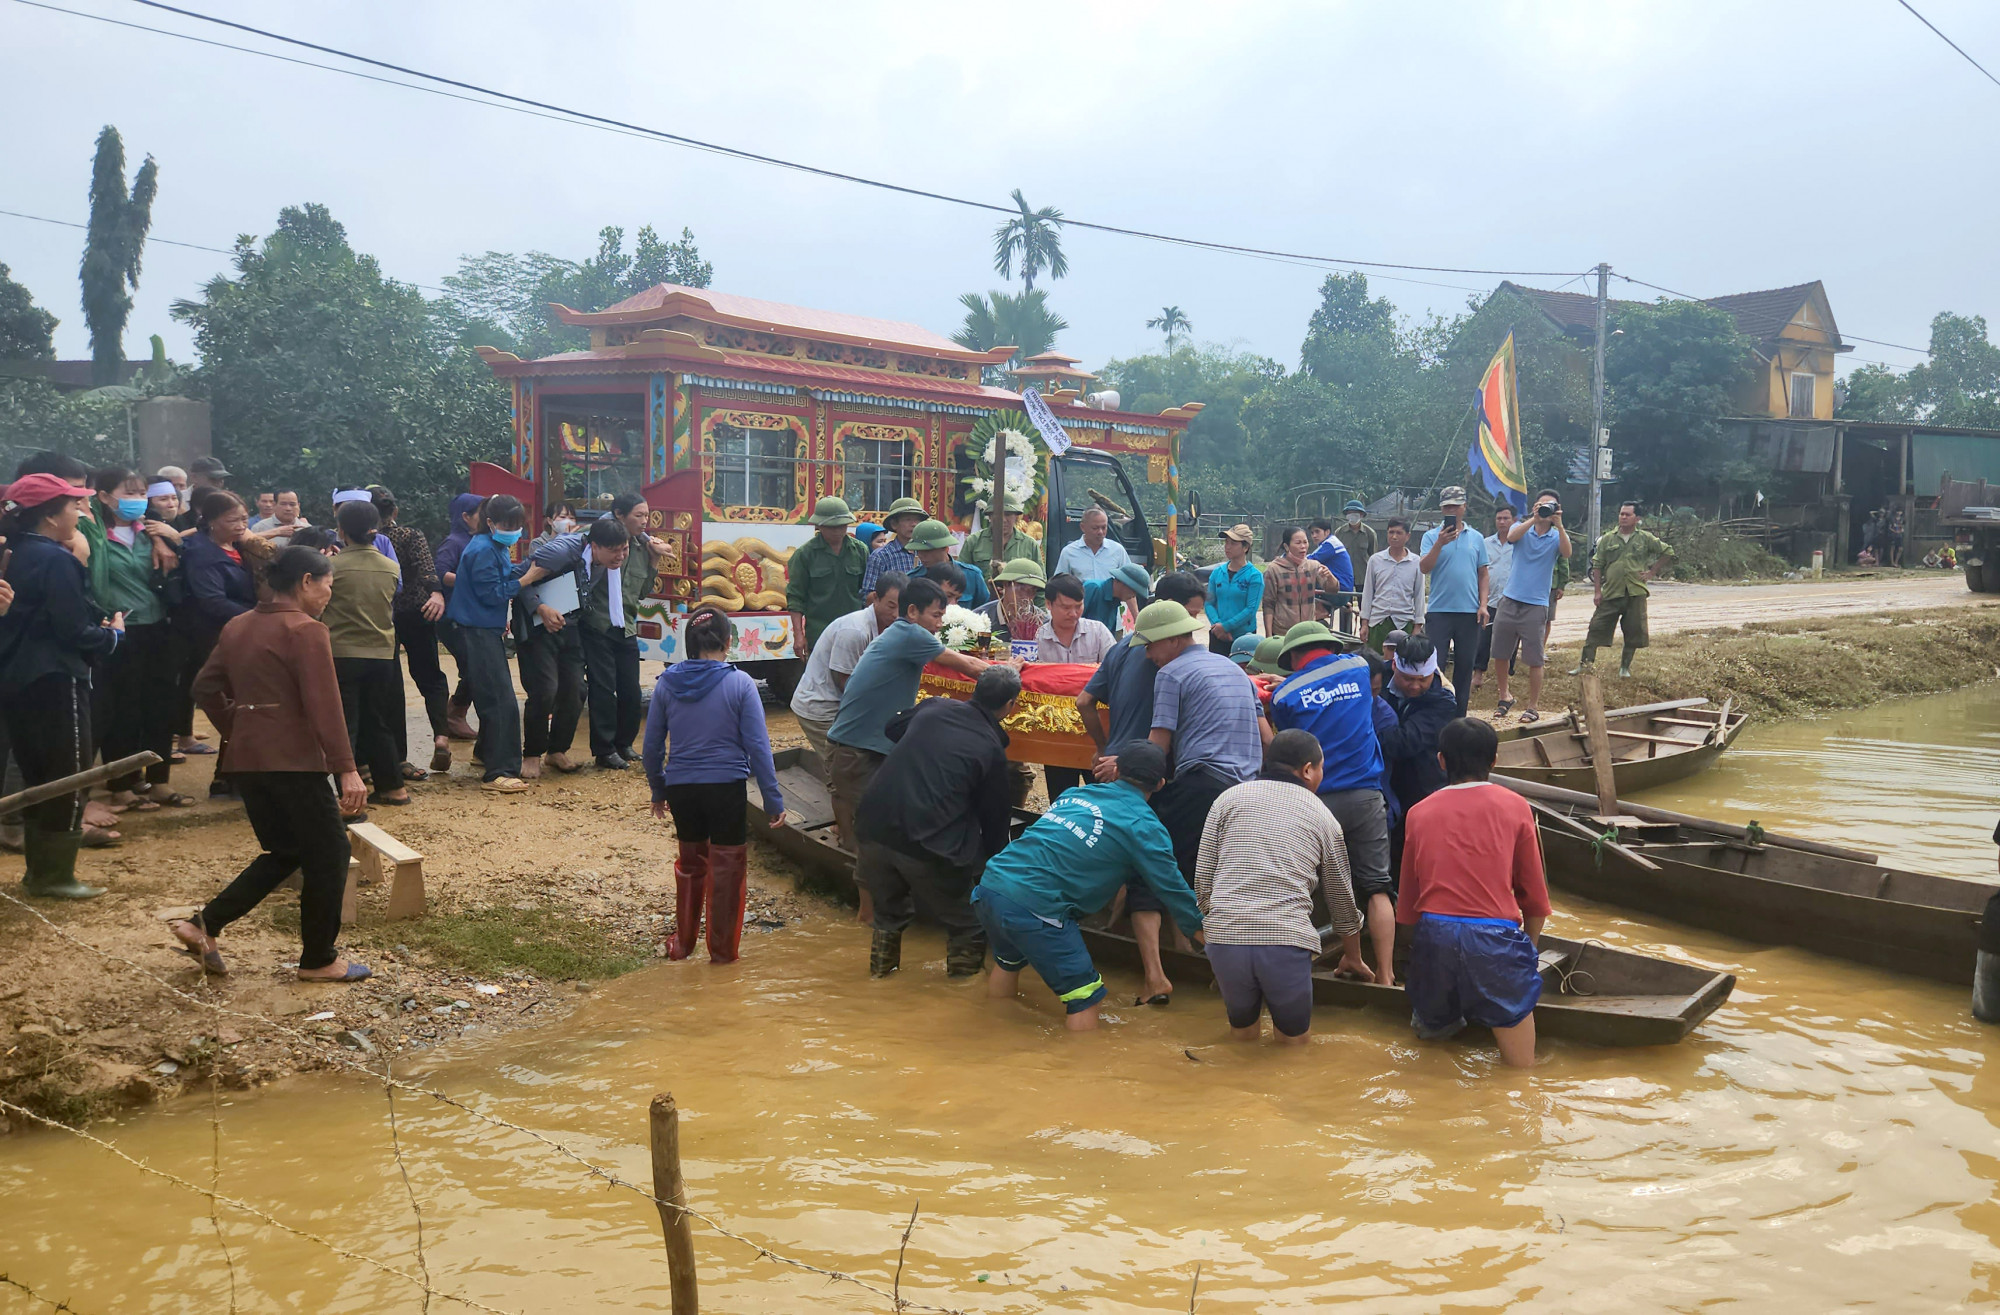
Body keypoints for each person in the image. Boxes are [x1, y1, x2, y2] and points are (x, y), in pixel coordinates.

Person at [171, 547, 372, 981]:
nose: (328, 595)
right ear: (305, 582)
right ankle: (319, 960)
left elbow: (205, 687)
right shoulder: (306, 630)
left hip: (247, 759)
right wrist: (347, 768)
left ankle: (203, 925)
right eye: (327, 586)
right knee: (331, 851)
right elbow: (325, 705)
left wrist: (240, 727)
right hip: (293, 760)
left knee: (287, 850)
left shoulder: (238, 625)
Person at [972, 740, 1202, 1032]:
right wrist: (1204, 932)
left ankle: (994, 1034)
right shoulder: (1145, 827)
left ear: (1116, 770)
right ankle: (1079, 1071)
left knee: (1007, 963)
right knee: (1085, 997)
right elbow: (1172, 889)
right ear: (1159, 784)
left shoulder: (1074, 795)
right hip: (1037, 907)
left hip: (992, 885)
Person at [824, 577, 992, 900]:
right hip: (857, 753)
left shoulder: (900, 633)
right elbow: (968, 666)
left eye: (944, 617)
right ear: (912, 612)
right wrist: (1009, 671)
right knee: (873, 836)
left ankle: (881, 904)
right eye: (936, 616)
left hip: (863, 748)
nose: (940, 623)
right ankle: (870, 913)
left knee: (879, 828)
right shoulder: (911, 634)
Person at [1197, 729, 1369, 1043]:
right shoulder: (1322, 816)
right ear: (1307, 770)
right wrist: (1353, 956)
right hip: (1284, 941)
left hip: (1224, 940)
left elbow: (1204, 883)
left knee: (1242, 1037)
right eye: (1320, 767)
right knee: (1293, 1048)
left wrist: (1222, 927)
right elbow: (1341, 901)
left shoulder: (1228, 799)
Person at [1397, 717, 1551, 1068]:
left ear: (1441, 760)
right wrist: (1528, 950)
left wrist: (1411, 953)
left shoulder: (1418, 813)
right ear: (1494, 761)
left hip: (1435, 935)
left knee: (1432, 1048)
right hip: (1495, 937)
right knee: (1520, 1071)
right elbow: (1534, 896)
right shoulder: (1516, 806)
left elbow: (1407, 902)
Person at [1135, 596, 1262, 1003]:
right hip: (1247, 789)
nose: (1150, 655)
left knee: (1150, 860)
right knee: (1221, 874)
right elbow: (1268, 738)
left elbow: (1158, 745)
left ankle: (1157, 972)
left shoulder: (1171, 674)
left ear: (1171, 641)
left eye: (1150, 645)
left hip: (1204, 783)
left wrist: (1133, 786)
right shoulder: (1233, 668)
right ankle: (1209, 951)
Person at [857, 665, 1019, 979]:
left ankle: (879, 979)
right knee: (968, 926)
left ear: (975, 690)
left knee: (888, 916)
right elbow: (996, 821)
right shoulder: (990, 749)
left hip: (872, 828)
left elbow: (892, 728)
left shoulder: (933, 707)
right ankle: (961, 998)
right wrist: (998, 871)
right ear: (1011, 706)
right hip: (926, 841)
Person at [0, 473, 120, 897]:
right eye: (74, 506)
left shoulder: (14, 553)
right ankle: (55, 875)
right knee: (68, 773)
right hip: (56, 676)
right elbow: (73, 629)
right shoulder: (55, 560)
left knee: (36, 772)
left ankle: (40, 870)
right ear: (51, 515)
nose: (80, 512)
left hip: (16, 676)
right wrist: (111, 637)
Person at [643, 607, 785, 964]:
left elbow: (651, 747)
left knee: (691, 865)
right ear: (729, 642)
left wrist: (659, 789)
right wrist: (773, 800)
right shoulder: (741, 684)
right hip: (725, 787)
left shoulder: (666, 684)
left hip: (682, 788)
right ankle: (722, 954)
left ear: (689, 645)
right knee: (727, 868)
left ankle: (683, 945)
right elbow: (759, 749)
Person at [1265, 620, 1397, 985]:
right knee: (1377, 886)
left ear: (1292, 656)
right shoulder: (1357, 668)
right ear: (1328, 644)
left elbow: (1290, 733)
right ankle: (1386, 977)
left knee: (1304, 885)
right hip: (1367, 796)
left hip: (1315, 801)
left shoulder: (1283, 695)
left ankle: (1298, 973)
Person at [83, 467, 188, 810]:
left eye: (142, 492)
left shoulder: (152, 532)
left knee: (159, 705)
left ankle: (158, 781)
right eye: (128, 493)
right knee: (122, 709)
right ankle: (122, 785)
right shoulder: (94, 534)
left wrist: (172, 538)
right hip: (119, 631)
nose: (137, 500)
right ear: (104, 497)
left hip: (158, 627)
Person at [524, 516, 629, 771]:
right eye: (613, 551)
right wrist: (541, 608)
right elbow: (519, 579)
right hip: (539, 625)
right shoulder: (559, 552)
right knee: (545, 689)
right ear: (594, 546)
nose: (620, 557)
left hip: (570, 625)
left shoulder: (607, 560)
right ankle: (532, 754)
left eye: (624, 550)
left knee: (575, 689)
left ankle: (557, 750)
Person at [323, 497, 408, 810]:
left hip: (342, 653)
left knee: (345, 725)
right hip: (382, 654)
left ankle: (347, 794)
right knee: (378, 722)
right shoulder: (390, 567)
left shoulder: (332, 568)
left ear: (341, 530)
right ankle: (394, 789)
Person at [444, 494, 533, 792]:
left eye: (518, 524)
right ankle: (500, 772)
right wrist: (528, 577)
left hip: (484, 630)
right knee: (500, 701)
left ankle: (484, 755)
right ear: (491, 523)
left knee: (492, 694)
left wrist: (527, 568)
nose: (515, 529)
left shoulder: (495, 545)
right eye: (509, 524)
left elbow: (502, 576)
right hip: (477, 630)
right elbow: (492, 594)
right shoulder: (484, 549)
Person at [177, 490, 258, 796]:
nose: (241, 525)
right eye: (232, 519)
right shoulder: (201, 553)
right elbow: (212, 601)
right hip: (215, 637)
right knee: (233, 703)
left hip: (240, 632)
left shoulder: (238, 547)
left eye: (244, 518)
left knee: (241, 702)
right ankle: (233, 776)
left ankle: (228, 776)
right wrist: (260, 617)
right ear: (211, 522)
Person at [369, 486, 452, 776]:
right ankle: (441, 736)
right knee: (430, 676)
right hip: (418, 610)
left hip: (381, 615)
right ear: (394, 511)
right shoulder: (409, 535)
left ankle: (399, 757)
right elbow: (427, 568)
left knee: (392, 686)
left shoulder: (359, 538)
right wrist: (436, 593)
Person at [792, 573, 904, 766]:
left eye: (900, 608)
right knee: (842, 770)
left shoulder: (888, 626)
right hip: (821, 707)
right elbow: (845, 683)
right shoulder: (855, 631)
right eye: (891, 606)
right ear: (875, 598)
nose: (895, 614)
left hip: (842, 705)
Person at [1380, 633, 1456, 883]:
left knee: (1412, 860)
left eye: (1422, 680)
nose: (1415, 686)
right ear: (1394, 666)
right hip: (1380, 785)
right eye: (1407, 679)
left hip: (1420, 786)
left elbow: (1403, 742)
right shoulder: (1374, 677)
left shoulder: (1443, 700)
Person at [1490, 490, 1571, 723]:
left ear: (1557, 509)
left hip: (1535, 604)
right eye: (1541, 505)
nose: (1544, 510)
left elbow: (1566, 553)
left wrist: (1560, 525)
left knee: (1535, 658)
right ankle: (1504, 696)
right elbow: (1511, 537)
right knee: (1500, 653)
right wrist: (1534, 519)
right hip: (1510, 599)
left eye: (1549, 507)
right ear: (1534, 506)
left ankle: (1533, 706)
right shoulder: (1523, 530)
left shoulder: (1556, 536)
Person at [1576, 500, 1675, 678]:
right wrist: (1597, 591)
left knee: (1633, 631)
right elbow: (1597, 565)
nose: (1623, 517)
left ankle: (1624, 668)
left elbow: (1667, 551)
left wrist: (1652, 572)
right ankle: (1585, 665)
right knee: (1596, 628)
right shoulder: (1608, 538)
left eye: (1627, 514)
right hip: (1612, 591)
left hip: (1635, 592)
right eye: (1621, 514)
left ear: (1637, 518)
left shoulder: (1645, 538)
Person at [1417, 488, 1489, 719]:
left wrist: (1483, 604)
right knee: (1435, 665)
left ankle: (1459, 715)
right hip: (1439, 611)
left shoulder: (1476, 537)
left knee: (1465, 665)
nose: (1451, 510)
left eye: (1455, 506)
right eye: (1447, 506)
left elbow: (1483, 573)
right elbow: (1424, 568)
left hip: (1469, 612)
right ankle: (1436, 712)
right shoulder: (1431, 536)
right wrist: (1439, 543)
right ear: (1441, 508)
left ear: (1464, 507)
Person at [431, 492, 485, 740]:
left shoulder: (479, 539)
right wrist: (471, 581)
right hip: (452, 618)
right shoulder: (454, 542)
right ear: (465, 516)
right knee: (474, 668)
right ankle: (454, 715)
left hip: (470, 617)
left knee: (476, 666)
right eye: (481, 513)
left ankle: (454, 713)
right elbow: (440, 573)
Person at [787, 496, 868, 653]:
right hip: (819, 635)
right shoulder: (805, 555)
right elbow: (796, 598)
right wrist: (798, 635)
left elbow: (867, 593)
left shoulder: (860, 551)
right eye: (832, 527)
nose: (838, 531)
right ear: (820, 526)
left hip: (854, 634)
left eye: (842, 526)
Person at [1360, 517, 1425, 650]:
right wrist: (1364, 623)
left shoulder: (1416, 562)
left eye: (1399, 533)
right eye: (1391, 532)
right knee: (1377, 664)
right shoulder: (1375, 560)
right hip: (1378, 621)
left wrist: (1418, 626)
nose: (1394, 536)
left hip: (1404, 622)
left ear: (1408, 536)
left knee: (1402, 665)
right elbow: (1367, 593)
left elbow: (1419, 595)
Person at [1263, 524, 1337, 636]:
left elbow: (1333, 590)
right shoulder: (1274, 569)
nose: (1303, 546)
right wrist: (1268, 635)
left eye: (1305, 542)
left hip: (1307, 631)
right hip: (1283, 632)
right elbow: (1268, 604)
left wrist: (1330, 577)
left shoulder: (1313, 566)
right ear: (1286, 546)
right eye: (1298, 543)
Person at [1473, 505, 1516, 694]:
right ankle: (1478, 673)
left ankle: (1508, 674)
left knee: (1511, 639)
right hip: (1489, 599)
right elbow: (1480, 570)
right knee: (1483, 637)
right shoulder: (1485, 543)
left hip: (1512, 598)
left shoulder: (1520, 543)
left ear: (1513, 520)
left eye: (1506, 518)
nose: (1502, 522)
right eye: (1499, 518)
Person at [909, 519, 991, 608]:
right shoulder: (912, 579)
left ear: (945, 548)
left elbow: (985, 611)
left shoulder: (972, 576)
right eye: (918, 551)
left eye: (927, 551)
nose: (922, 555)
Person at [1037, 572, 1114, 664]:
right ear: (1048, 604)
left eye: (1078, 606)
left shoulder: (1098, 632)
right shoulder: (1037, 638)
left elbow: (1114, 666)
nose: (1073, 614)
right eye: (1066, 607)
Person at [962, 496, 1041, 582]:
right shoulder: (973, 541)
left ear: (1016, 516)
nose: (1003, 519)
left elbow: (1040, 582)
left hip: (1018, 595)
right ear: (990, 517)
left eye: (1008, 514)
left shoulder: (1030, 544)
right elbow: (961, 576)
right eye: (998, 514)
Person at [861, 496, 926, 599]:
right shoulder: (881, 556)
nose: (914, 524)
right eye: (908, 519)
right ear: (894, 524)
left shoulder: (927, 553)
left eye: (917, 520)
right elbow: (868, 595)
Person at [977, 558, 1048, 646]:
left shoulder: (1044, 624)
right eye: (1021, 588)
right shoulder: (980, 619)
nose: (1026, 596)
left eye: (1032, 590)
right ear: (1006, 584)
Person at [1055, 505, 1131, 582]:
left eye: (1104, 527)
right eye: (1095, 528)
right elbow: (1060, 584)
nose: (1100, 532)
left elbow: (1129, 581)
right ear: (1083, 527)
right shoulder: (1069, 552)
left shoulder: (1117, 550)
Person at [1081, 561, 1149, 636]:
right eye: (1133, 591)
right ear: (1123, 582)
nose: (1133, 596)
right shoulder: (1093, 588)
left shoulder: (1115, 600)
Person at [171, 455, 232, 531]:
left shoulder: (229, 502)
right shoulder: (175, 500)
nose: (219, 483)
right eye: (213, 478)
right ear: (194, 477)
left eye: (222, 479)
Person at [1306, 517, 1355, 590]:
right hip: (1342, 586)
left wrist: (1286, 559)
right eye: (1312, 533)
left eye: (1317, 532)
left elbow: (1309, 559)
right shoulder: (1330, 542)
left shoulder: (1330, 544)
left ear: (1327, 532)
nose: (1314, 536)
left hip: (1340, 588)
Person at [1334, 500, 1376, 570]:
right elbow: (1335, 556)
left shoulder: (1370, 533)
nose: (1352, 515)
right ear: (1346, 515)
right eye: (1350, 513)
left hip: (1364, 576)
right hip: (1345, 575)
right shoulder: (1339, 533)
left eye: (1355, 513)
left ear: (1361, 515)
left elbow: (1374, 557)